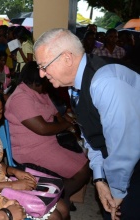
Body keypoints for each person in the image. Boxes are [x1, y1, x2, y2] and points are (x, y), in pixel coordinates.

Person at [33, 28, 140, 220]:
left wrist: (117, 191)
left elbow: (124, 148)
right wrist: (99, 178)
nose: (41, 74)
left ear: (67, 58)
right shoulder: (78, 84)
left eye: (44, 66)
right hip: (120, 167)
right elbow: (91, 135)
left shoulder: (105, 82)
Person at [0, 87, 69, 220]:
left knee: (63, 207)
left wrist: (13, 171)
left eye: (0, 113)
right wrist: (12, 185)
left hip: (3, 183)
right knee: (55, 216)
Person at [5, 61, 90, 208]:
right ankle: (61, 198)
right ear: (37, 81)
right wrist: (67, 124)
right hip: (30, 149)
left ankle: (58, 193)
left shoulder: (39, 92)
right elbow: (42, 129)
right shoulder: (20, 97)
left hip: (48, 143)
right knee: (82, 170)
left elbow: (55, 112)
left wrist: (68, 120)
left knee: (84, 159)